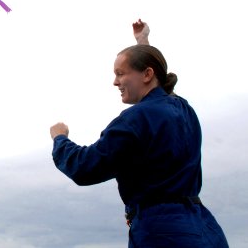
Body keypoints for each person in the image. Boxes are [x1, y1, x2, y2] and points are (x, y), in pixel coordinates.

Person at [50, 19, 228, 247]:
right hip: (205, 229)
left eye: (120, 73)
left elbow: (85, 168)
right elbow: (161, 85)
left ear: (147, 74)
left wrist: (60, 139)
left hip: (162, 233)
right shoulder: (182, 108)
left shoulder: (136, 119)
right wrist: (142, 41)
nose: (115, 82)